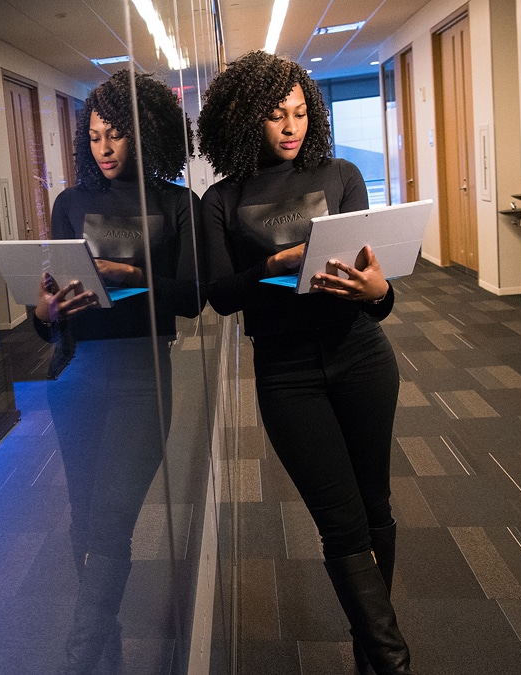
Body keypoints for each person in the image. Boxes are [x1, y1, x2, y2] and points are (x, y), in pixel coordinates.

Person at [196, 50, 413, 675]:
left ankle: (370, 655)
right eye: (275, 116)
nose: (290, 127)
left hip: (361, 357)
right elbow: (220, 295)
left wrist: (383, 294)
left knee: (375, 507)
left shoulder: (341, 174)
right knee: (341, 524)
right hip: (286, 374)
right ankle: (393, 660)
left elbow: (372, 289)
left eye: (298, 113)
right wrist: (274, 266)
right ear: (243, 119)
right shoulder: (223, 198)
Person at [31, 69, 199, 674]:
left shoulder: (177, 203)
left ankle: (80, 655)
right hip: (76, 375)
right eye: (96, 135)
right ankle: (103, 637)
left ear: (146, 134)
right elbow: (47, 312)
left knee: (113, 515)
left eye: (117, 135)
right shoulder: (70, 204)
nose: (104, 148)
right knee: (86, 516)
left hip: (141, 377)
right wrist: (45, 312)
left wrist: (131, 277)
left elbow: (193, 298)